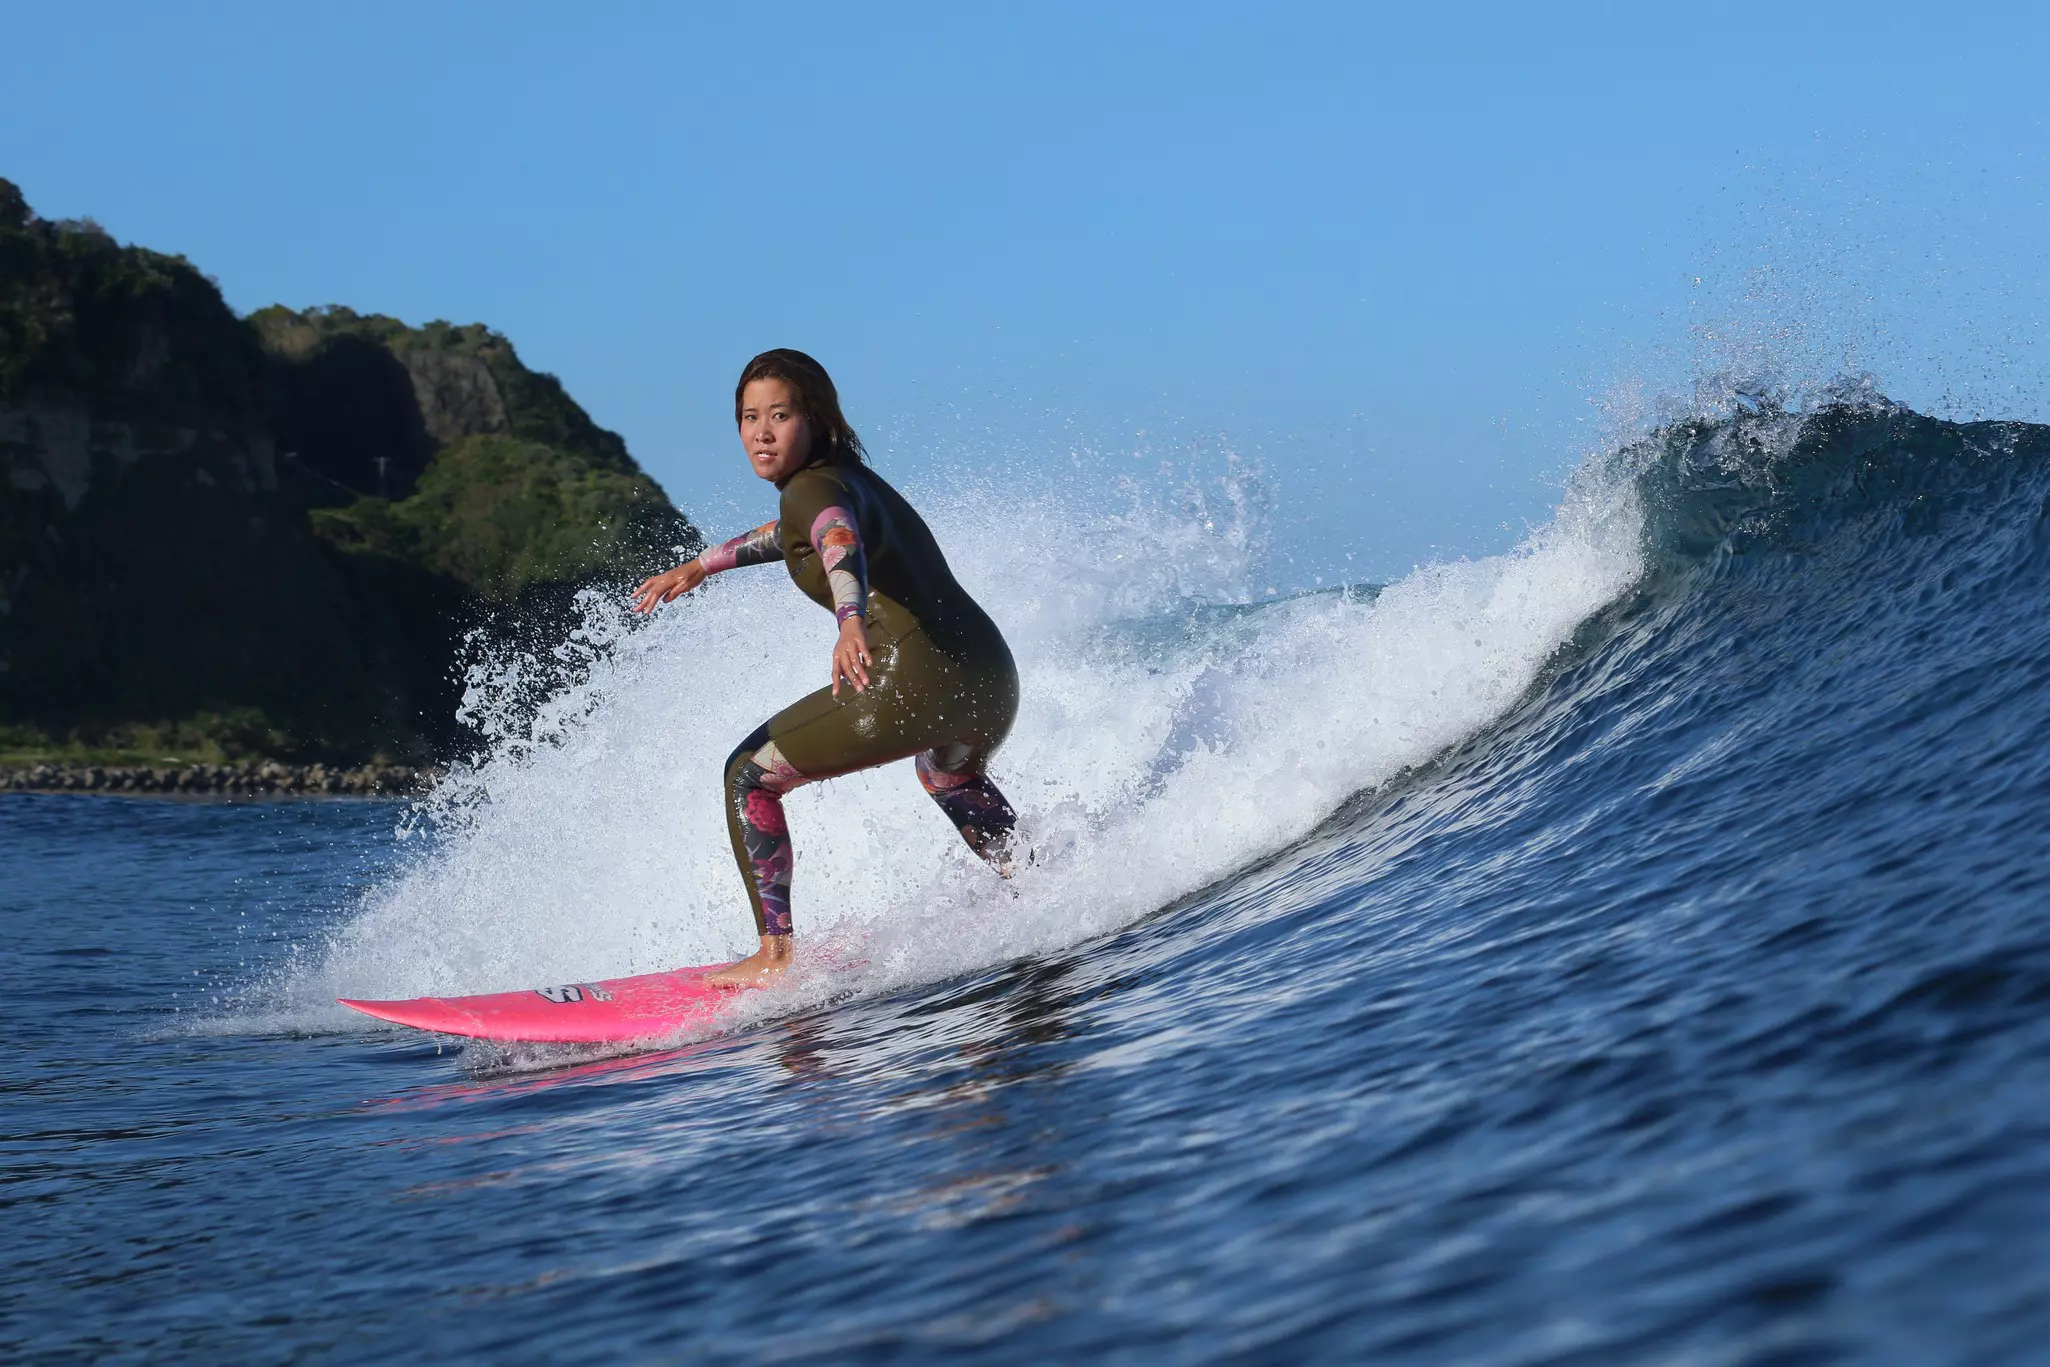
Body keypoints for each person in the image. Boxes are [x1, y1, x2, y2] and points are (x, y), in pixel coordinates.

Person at [631, 350, 1021, 986]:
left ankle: (774, 956)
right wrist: (702, 566)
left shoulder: (816, 490)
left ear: (814, 419)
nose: (761, 432)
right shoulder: (846, 479)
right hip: (988, 677)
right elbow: (797, 532)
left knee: (746, 777)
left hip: (919, 676)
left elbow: (835, 540)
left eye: (779, 415)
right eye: (748, 417)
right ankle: (1037, 882)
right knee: (945, 774)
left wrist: (850, 621)